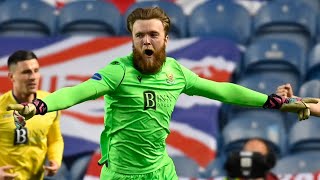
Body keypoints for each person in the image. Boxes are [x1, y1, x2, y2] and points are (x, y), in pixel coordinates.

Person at [6, 7, 317, 180]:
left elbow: (223, 90)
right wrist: (42, 105)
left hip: (160, 171)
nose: (146, 40)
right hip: (121, 174)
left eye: (153, 34)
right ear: (132, 38)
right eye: (139, 35)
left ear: (165, 37)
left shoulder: (176, 72)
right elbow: (78, 92)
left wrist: (273, 101)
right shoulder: (118, 70)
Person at [0, 50, 64, 180]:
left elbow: (55, 139)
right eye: (26, 72)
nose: (33, 77)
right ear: (11, 77)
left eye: (36, 70)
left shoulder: (50, 104)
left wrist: (55, 159)